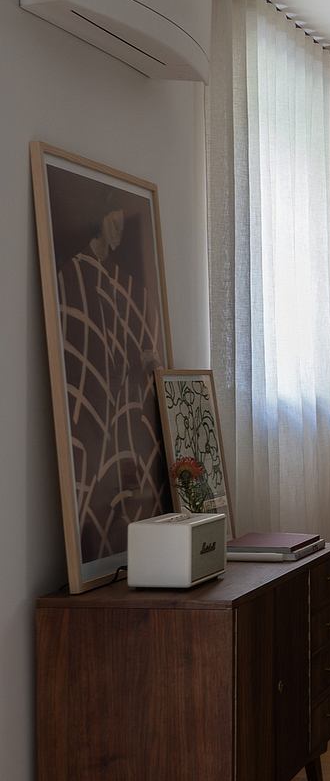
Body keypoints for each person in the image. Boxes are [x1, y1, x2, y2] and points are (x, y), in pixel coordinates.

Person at [57, 191, 166, 563]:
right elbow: (84, 344)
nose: (119, 232)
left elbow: (131, 340)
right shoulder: (74, 274)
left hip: (125, 405)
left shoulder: (124, 283)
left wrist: (145, 358)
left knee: (129, 475)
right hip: (97, 408)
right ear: (99, 220)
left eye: (123, 223)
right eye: (114, 223)